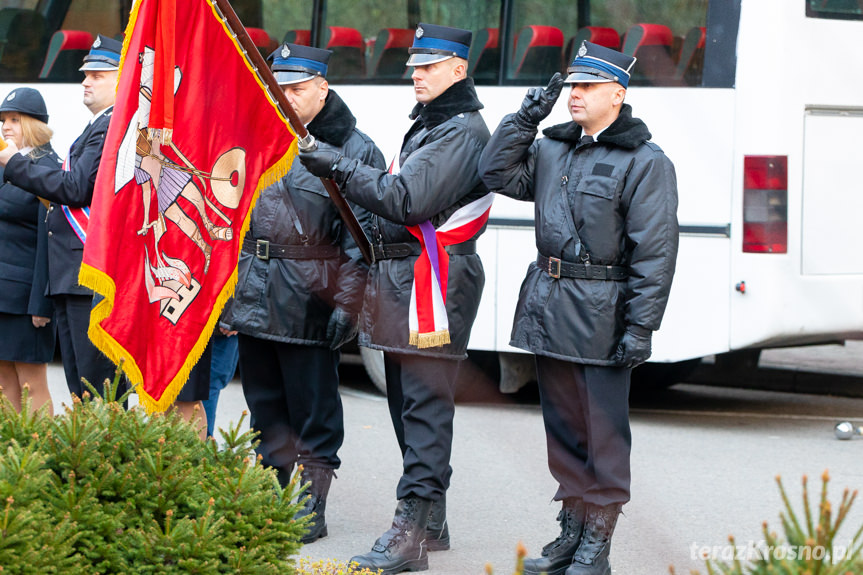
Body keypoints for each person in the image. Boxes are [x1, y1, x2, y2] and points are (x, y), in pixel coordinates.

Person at [478, 41, 679, 575]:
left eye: (588, 86)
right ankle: (571, 530)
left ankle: (598, 543)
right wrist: (526, 116)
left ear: (618, 92)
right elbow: (495, 172)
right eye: (573, 86)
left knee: (602, 434)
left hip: (602, 313)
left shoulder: (645, 161)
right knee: (563, 428)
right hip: (549, 303)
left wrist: (640, 327)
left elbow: (655, 253)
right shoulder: (551, 148)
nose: (576, 95)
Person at [299, 23, 492, 574]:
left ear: (458, 69)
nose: (416, 76)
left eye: (428, 67)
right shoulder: (435, 126)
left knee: (424, 410)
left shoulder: (458, 130)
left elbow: (406, 200)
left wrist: (336, 164)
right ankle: (431, 521)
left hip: (434, 280)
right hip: (408, 279)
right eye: (414, 67)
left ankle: (410, 533)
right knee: (408, 408)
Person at [222, 43, 384, 544]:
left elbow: (368, 237)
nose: (287, 97)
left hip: (311, 294)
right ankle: (269, 496)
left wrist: (350, 302)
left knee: (314, 409)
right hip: (254, 289)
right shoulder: (254, 137)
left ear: (322, 88)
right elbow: (228, 221)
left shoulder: (355, 149)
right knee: (264, 402)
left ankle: (311, 504)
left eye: (296, 88)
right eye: (281, 87)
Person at [0, 35, 123, 401]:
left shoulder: (112, 126)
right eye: (85, 73)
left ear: (123, 77)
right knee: (82, 388)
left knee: (97, 392)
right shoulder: (95, 127)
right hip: (72, 278)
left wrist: (14, 163)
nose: (85, 81)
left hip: (89, 276)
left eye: (97, 74)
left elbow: (74, 189)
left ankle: (101, 458)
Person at [0, 87, 59, 414]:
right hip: (4, 291)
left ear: (35, 124)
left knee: (30, 381)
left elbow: (47, 241)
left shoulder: (46, 167)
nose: (6, 126)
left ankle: (40, 454)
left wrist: (42, 303)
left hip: (27, 297)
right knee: (3, 376)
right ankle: (11, 453)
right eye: (3, 120)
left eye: (15, 119)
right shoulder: (9, 163)